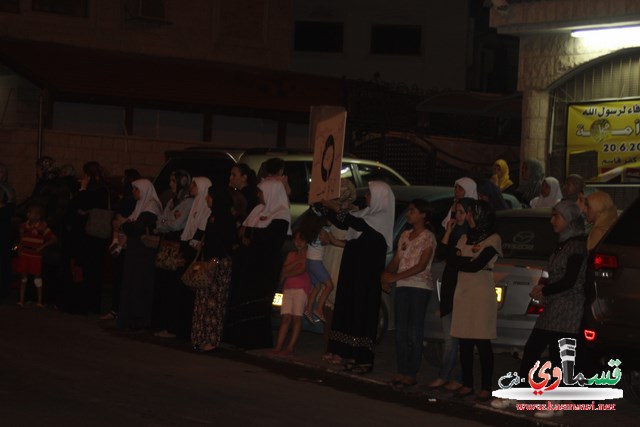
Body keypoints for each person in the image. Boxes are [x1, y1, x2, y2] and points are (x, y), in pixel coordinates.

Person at [491, 200, 587, 418]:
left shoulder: (577, 246)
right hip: (554, 304)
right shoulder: (562, 243)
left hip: (568, 306)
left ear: (569, 220)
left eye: (557, 216)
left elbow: (570, 280)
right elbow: (552, 273)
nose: (552, 220)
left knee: (558, 355)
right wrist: (542, 286)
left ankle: (555, 401)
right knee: (533, 349)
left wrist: (545, 290)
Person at [317, 181, 395, 374]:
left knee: (363, 314)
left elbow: (353, 221)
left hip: (366, 277)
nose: (366, 197)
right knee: (349, 312)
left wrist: (330, 205)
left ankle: (364, 360)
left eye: (370, 194)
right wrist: (320, 206)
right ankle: (351, 354)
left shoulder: (380, 218)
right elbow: (343, 221)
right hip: (352, 272)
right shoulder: (366, 215)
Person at [224, 179, 291, 349]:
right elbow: (241, 232)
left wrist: (249, 233)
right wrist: (247, 234)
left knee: (257, 304)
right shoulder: (257, 209)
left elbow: (270, 239)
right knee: (241, 298)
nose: (258, 195)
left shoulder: (281, 214)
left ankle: (255, 341)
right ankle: (238, 338)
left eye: (261, 192)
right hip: (248, 263)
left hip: (264, 267)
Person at [381, 198, 437, 388]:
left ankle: (411, 372)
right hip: (403, 286)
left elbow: (422, 266)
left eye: (413, 210)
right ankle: (402, 370)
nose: (408, 213)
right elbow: (396, 260)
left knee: (414, 331)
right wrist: (386, 275)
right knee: (401, 331)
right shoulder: (405, 235)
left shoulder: (428, 237)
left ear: (423, 214)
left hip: (419, 288)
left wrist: (394, 278)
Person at [451, 200, 502, 402]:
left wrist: (463, 261)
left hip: (481, 294)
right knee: (464, 341)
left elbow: (477, 264)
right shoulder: (464, 237)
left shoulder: (493, 238)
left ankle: (486, 387)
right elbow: (453, 260)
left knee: (482, 341)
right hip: (463, 291)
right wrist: (466, 261)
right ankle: (467, 383)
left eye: (472, 213)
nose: (469, 217)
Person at [426, 197, 474, 391]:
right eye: (456, 212)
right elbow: (442, 252)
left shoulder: (471, 236)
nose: (458, 216)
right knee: (449, 339)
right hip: (449, 290)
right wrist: (448, 230)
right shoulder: (455, 234)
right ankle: (444, 376)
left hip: (463, 290)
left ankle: (460, 378)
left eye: (462, 212)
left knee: (461, 339)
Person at [191, 184, 235, 352]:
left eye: (209, 196)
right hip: (207, 262)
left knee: (214, 303)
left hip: (218, 264)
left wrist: (214, 261)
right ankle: (200, 337)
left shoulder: (225, 218)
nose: (206, 199)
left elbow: (225, 244)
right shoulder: (213, 216)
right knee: (203, 301)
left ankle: (211, 339)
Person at [320, 179, 358, 364]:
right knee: (328, 309)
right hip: (330, 258)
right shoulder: (334, 212)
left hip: (342, 260)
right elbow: (321, 211)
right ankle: (329, 348)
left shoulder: (354, 213)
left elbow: (343, 223)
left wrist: (330, 206)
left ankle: (340, 350)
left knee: (339, 307)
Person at [152, 170, 193, 336]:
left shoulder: (188, 202)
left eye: (173, 181)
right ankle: (163, 324)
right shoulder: (171, 201)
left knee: (173, 286)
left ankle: (171, 326)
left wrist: (165, 221)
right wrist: (166, 221)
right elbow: (160, 221)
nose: (170, 184)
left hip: (176, 245)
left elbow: (175, 224)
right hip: (167, 243)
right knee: (163, 284)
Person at [117, 179, 162, 330]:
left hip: (143, 254)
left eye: (136, 189)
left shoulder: (151, 207)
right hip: (136, 251)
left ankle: (138, 320)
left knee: (139, 284)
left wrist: (124, 224)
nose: (133, 192)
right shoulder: (140, 206)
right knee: (132, 283)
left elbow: (135, 228)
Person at [65, 161, 110, 314]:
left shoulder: (99, 190)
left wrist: (83, 189)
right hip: (88, 238)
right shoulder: (100, 190)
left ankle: (86, 306)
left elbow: (82, 204)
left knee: (89, 272)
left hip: (91, 237)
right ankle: (83, 304)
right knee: (86, 271)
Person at [100, 169, 140, 320]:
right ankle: (118, 309)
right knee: (120, 277)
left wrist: (118, 236)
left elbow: (121, 222)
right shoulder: (131, 201)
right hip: (123, 241)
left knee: (121, 277)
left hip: (125, 243)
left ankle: (118, 309)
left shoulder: (131, 202)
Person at [272, 229, 312, 356]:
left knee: (296, 318)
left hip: (301, 288)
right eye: (296, 239)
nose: (298, 242)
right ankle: (278, 346)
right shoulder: (292, 254)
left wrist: (289, 269)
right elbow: (284, 270)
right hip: (288, 287)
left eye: (301, 240)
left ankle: (290, 347)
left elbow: (300, 270)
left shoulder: (309, 254)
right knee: (285, 317)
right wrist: (295, 264)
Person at [16, 205, 57, 307]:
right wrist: (19, 248)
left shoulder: (42, 227)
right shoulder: (23, 226)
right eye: (28, 212)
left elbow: (54, 238)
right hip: (25, 253)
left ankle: (39, 301)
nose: (28, 214)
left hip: (35, 255)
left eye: (31, 213)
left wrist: (42, 246)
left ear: (38, 216)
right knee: (23, 277)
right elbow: (21, 239)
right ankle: (21, 300)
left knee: (37, 278)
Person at [299, 214, 333, 323]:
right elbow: (327, 241)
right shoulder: (325, 229)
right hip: (315, 262)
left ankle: (308, 310)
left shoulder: (311, 231)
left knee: (317, 286)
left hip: (309, 262)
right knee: (329, 285)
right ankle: (318, 309)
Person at [0, 163, 16, 298]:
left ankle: (4, 291)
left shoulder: (8, 190)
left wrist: (4, 206)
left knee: (3, 260)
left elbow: (10, 209)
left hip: (3, 229)